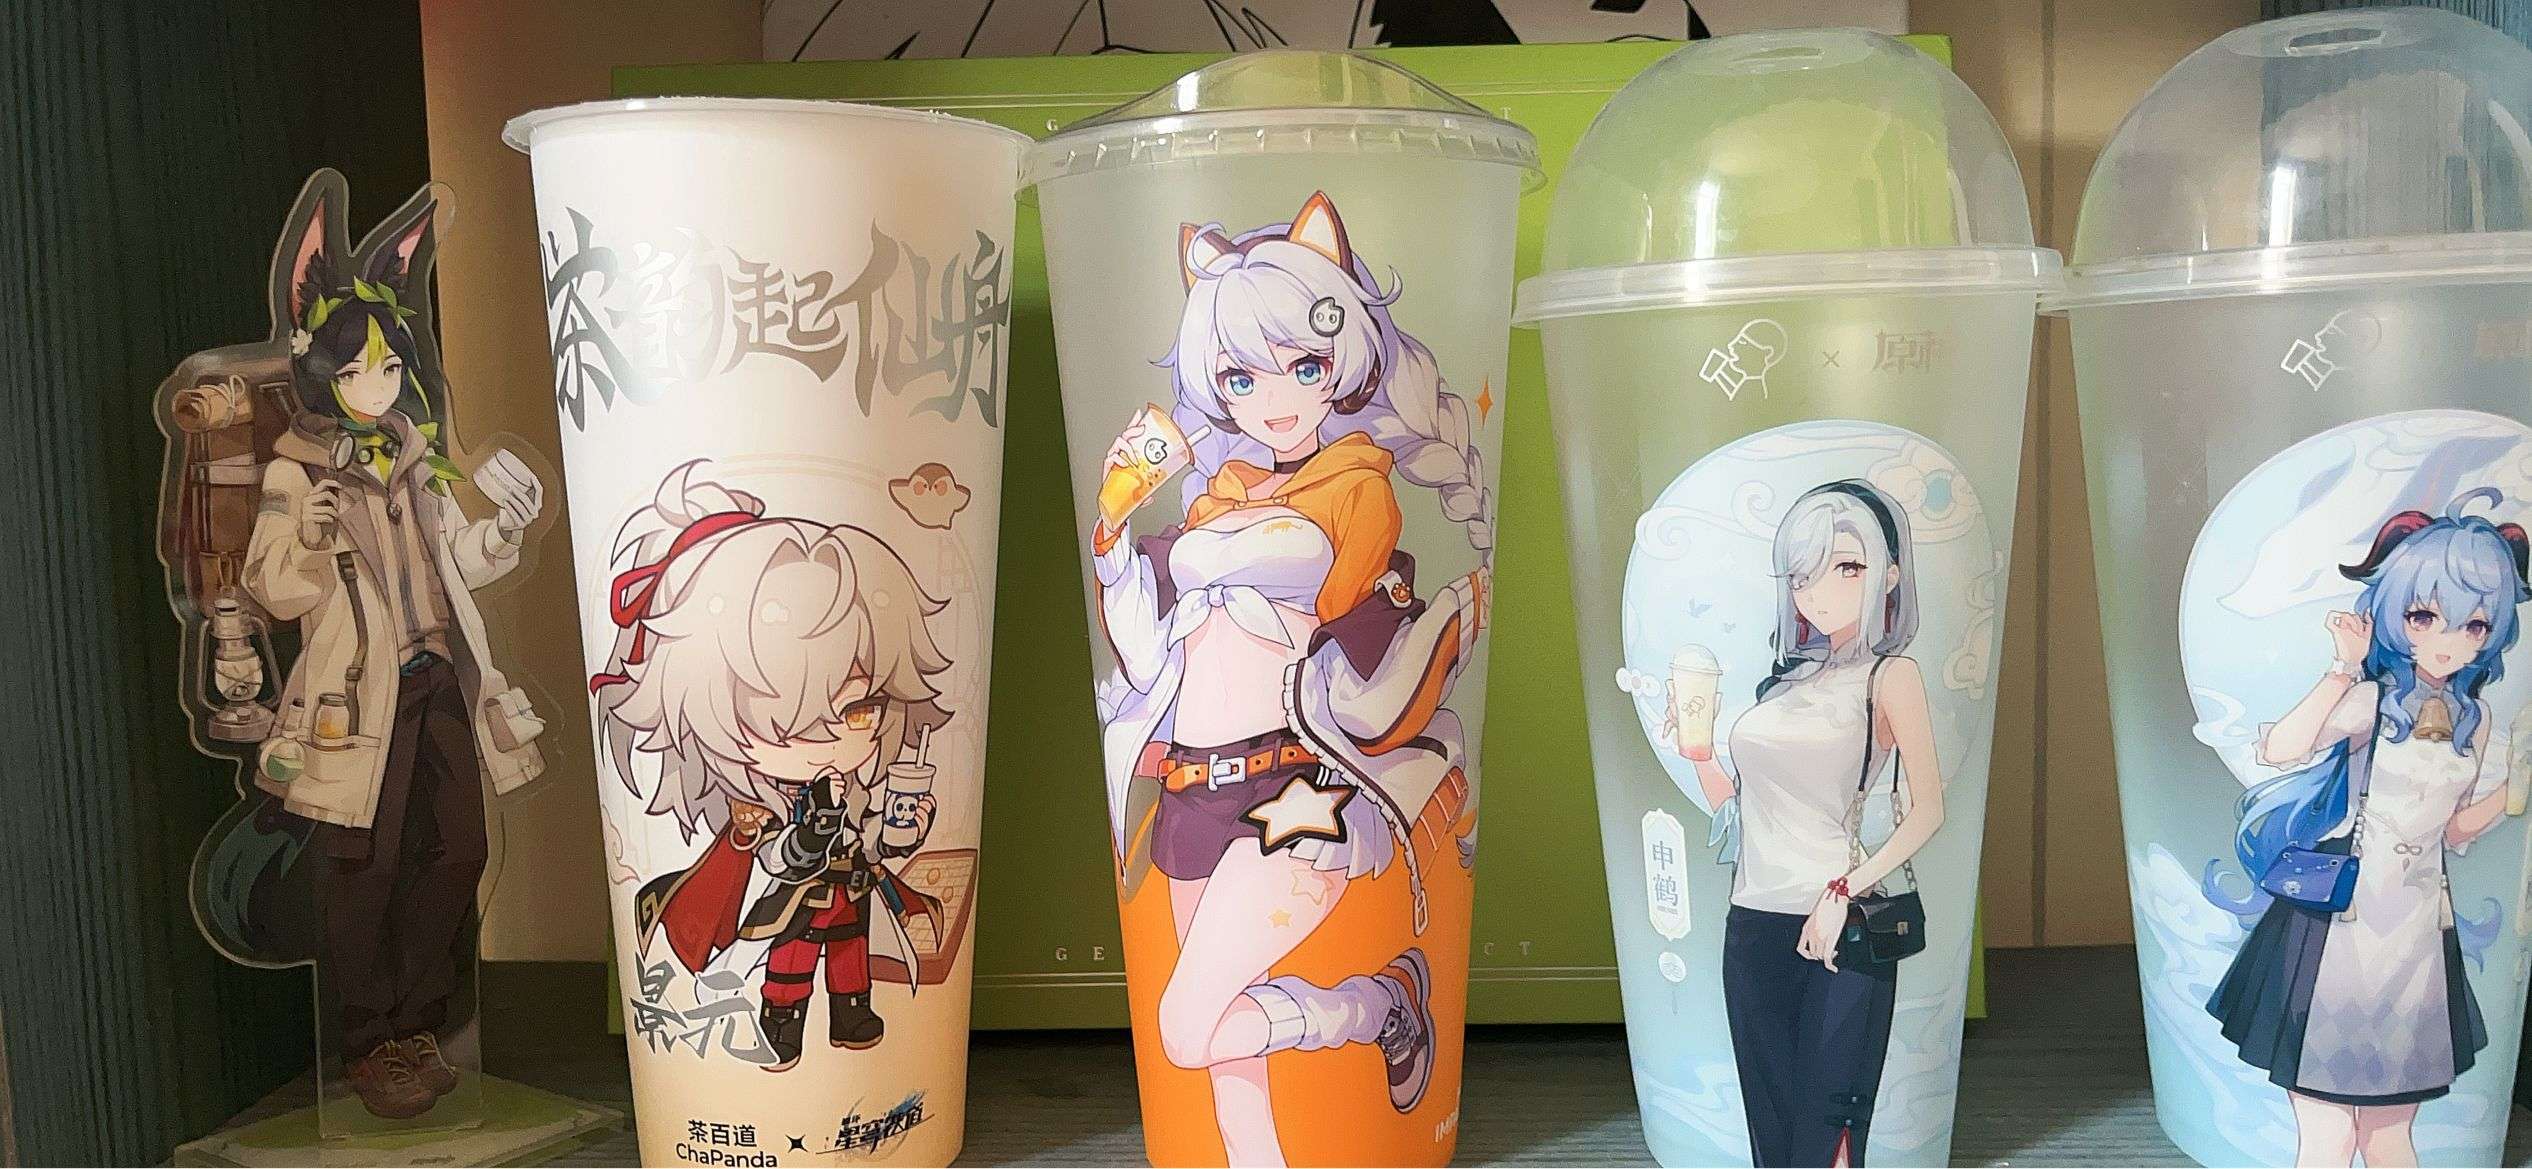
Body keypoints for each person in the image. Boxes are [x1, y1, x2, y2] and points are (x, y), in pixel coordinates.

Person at [1091, 192, 1490, 1165]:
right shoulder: (1214, 496)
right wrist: (1112, 536)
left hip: (1292, 787)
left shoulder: (1354, 487)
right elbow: (1146, 648)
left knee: (1188, 1028)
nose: (1274, 396)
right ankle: (1359, 1033)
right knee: (1228, 1060)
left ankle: (1375, 1004)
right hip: (1192, 788)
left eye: (1304, 365)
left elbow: (1331, 582)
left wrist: (1198, 548)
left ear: (1340, 364)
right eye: (1240, 374)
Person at [241, 192, 547, 1118]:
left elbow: (459, 562)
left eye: (387, 365)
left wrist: (507, 530)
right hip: (353, 699)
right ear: (323, 374)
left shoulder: (415, 457)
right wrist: (308, 535)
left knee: (459, 848)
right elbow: (273, 588)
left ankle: (415, 1024)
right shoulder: (297, 472)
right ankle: (370, 1041)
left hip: (435, 677)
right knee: (362, 868)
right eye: (355, 368)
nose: (375, 384)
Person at [590, 461, 955, 1073]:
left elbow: (868, 836)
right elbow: (774, 859)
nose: (833, 736)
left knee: (850, 955)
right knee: (791, 961)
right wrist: (807, 837)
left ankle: (852, 1014)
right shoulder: (761, 803)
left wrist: (896, 832)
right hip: (795, 898)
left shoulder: (851, 784)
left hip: (851, 888)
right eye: (791, 724)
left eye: (859, 708)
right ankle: (780, 1023)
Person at [2208, 490, 2531, 1168]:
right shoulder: (2372, 700)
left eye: (2475, 625)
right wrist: (2342, 668)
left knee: (2388, 1134)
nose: (2448, 640)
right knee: (2328, 1135)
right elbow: (2283, 748)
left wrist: (2514, 793)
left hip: (2416, 936)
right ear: (2396, 615)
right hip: (2340, 924)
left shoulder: (2474, 719)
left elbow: (2453, 831)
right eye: (2424, 616)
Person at [1666, 480, 1947, 1167]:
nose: (1819, 591)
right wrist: (1700, 757)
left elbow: (1928, 809)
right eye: (1802, 575)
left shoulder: (1891, 677)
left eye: (1845, 566)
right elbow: (1745, 813)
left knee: (1830, 1133)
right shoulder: (1782, 683)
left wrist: (1844, 890)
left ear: (1889, 574)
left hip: (1841, 933)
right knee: (1774, 1130)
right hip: (1752, 926)